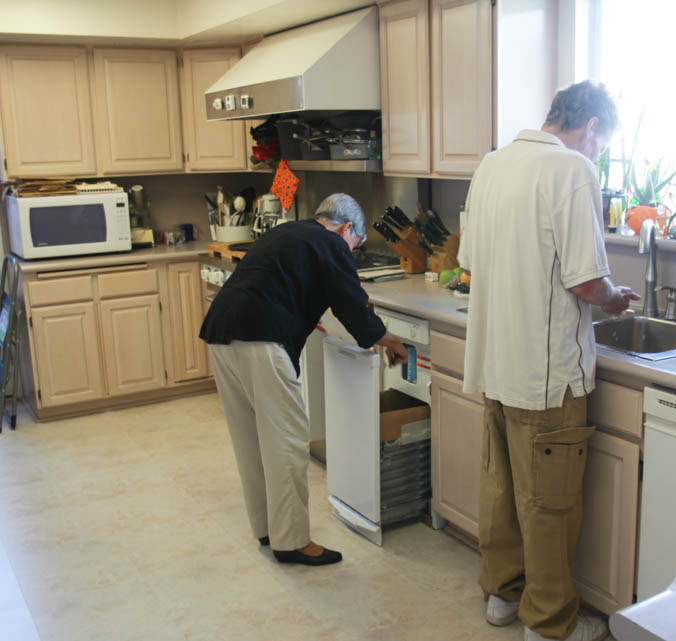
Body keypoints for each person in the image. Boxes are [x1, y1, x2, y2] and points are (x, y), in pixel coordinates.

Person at [457, 81, 640, 641]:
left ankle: (503, 596)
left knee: (502, 489)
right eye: (602, 144)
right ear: (589, 128)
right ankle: (549, 622)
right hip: (548, 376)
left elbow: (469, 262)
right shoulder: (571, 171)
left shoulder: (492, 164)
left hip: (494, 362)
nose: (598, 155)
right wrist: (616, 298)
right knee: (549, 506)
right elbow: (586, 281)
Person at [199, 193, 409, 566]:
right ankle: (292, 541)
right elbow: (350, 303)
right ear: (347, 229)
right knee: (286, 441)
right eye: (355, 244)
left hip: (221, 333)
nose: (350, 250)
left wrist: (299, 310)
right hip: (261, 338)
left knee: (249, 437)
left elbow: (278, 282)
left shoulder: (290, 232)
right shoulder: (331, 242)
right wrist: (388, 339)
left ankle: (268, 528)